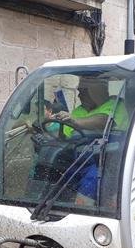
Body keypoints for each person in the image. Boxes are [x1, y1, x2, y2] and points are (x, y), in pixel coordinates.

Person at [53, 76, 129, 206]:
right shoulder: (79, 111)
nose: (79, 96)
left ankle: (80, 211)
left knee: (93, 176)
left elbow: (104, 121)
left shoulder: (116, 104)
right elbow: (64, 136)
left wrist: (76, 121)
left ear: (96, 91)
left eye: (83, 91)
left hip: (106, 161)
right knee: (52, 168)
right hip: (77, 160)